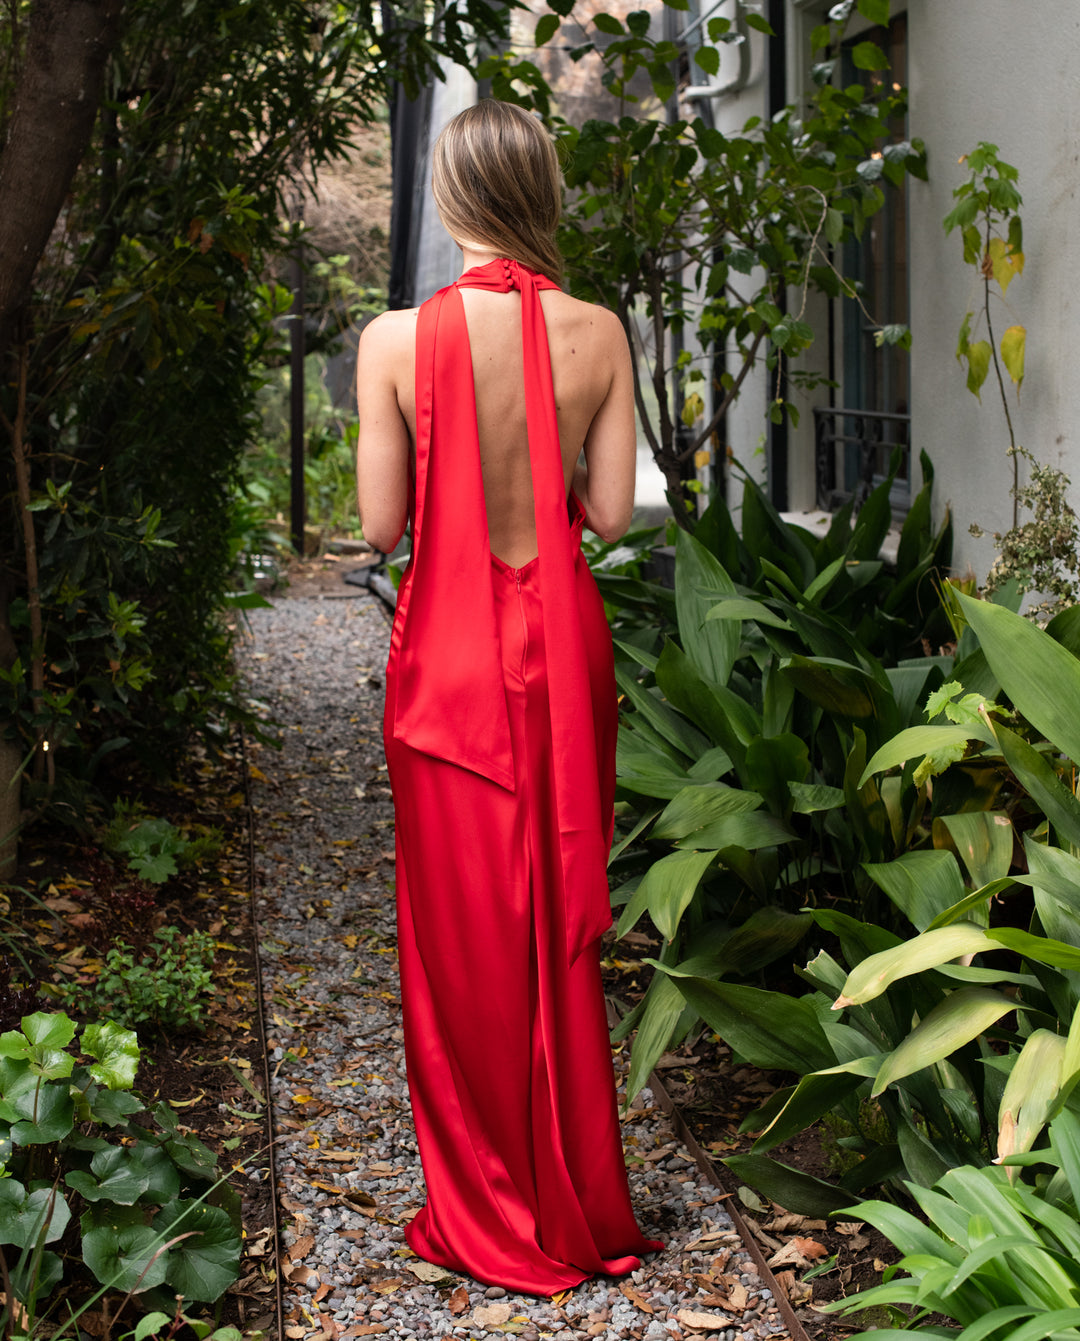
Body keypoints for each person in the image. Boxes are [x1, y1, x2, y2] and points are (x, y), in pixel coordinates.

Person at [354, 99, 662, 1296]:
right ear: (542, 194)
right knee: (556, 912)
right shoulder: (601, 330)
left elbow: (383, 529)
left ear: (450, 198)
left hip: (454, 658)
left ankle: (489, 1199)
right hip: (561, 640)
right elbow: (617, 513)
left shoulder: (392, 342)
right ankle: (574, 1194)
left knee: (464, 927)